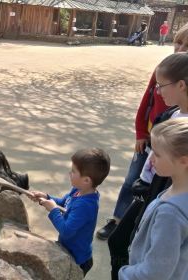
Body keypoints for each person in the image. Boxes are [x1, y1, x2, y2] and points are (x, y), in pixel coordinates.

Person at [96, 22, 188, 241]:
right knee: (132, 182)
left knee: (154, 188)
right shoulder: (164, 71)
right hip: (150, 139)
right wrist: (140, 133)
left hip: (172, 150)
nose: (181, 48)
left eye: (187, 44)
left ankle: (137, 227)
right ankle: (118, 220)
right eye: (178, 42)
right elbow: (147, 102)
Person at [109, 51, 188, 280]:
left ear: (181, 85)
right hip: (154, 187)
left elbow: (159, 268)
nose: (158, 92)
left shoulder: (173, 212)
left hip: (161, 188)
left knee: (129, 243)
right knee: (130, 239)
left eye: (162, 86)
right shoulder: (169, 114)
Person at [118, 117, 188, 280]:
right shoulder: (177, 192)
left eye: (157, 154)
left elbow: (155, 272)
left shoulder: (170, 214)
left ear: (183, 161)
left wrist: (125, 274)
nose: (151, 159)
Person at [28, 148, 111, 276]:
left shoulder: (85, 206)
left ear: (86, 180)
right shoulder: (77, 191)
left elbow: (66, 231)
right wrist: (46, 197)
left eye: (73, 171)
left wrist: (53, 210)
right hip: (68, 249)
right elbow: (63, 202)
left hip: (77, 259)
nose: (69, 173)